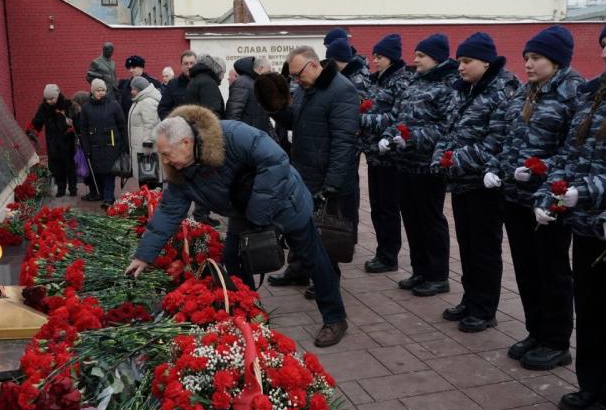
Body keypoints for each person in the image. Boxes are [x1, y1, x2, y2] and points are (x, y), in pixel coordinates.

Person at [125, 106, 349, 347]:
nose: (164, 160)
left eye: (167, 154)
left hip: (286, 201)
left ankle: (335, 318)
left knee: (312, 257)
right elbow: (169, 211)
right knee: (233, 258)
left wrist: (258, 215)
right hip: (244, 211)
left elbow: (276, 161)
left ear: (186, 142)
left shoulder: (231, 135)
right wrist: (144, 255)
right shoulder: (180, 170)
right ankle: (251, 317)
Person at [535, 12, 606, 410]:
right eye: (605, 44)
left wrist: (586, 192)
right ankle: (592, 385)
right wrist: (553, 191)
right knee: (590, 308)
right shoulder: (595, 94)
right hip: (587, 225)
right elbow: (571, 153)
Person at [483, 25, 583, 370]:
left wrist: (542, 168)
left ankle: (556, 340)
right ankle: (535, 331)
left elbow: (575, 151)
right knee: (526, 267)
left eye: (536, 58)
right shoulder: (526, 93)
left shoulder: (574, 93)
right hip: (514, 195)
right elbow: (508, 140)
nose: (527, 64)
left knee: (552, 269)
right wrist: (499, 167)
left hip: (548, 199)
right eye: (526, 57)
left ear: (555, 60)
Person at [431, 32, 519, 332]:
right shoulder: (465, 90)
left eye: (467, 61)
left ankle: (485, 308)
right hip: (462, 182)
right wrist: (440, 156)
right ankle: (470, 299)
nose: (461, 67)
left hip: (485, 184)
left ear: (486, 61)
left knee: (484, 248)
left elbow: (496, 142)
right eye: (459, 61)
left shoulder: (501, 92)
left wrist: (452, 159)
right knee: (467, 245)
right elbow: (449, 130)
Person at [262, 46, 360, 300]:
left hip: (327, 176)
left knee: (325, 232)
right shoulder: (308, 88)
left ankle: (328, 280)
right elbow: (296, 119)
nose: (296, 80)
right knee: (299, 225)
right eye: (293, 76)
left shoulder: (342, 91)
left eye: (298, 74)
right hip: (304, 171)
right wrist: (276, 108)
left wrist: (333, 184)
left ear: (314, 65)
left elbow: (344, 141)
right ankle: (299, 269)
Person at [377, 34, 456, 296]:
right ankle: (420, 270)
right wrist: (390, 136)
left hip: (428, 166)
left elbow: (445, 129)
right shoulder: (414, 83)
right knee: (411, 219)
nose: (415, 60)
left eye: (421, 56)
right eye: (416, 54)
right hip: (405, 163)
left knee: (430, 220)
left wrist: (410, 138)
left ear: (437, 57)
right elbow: (399, 116)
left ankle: (438, 275)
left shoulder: (447, 87)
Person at [359, 34, 412, 273]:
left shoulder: (400, 82)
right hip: (373, 153)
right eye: (374, 56)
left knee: (388, 208)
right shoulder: (377, 81)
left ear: (391, 57)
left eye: (379, 56)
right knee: (377, 206)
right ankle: (382, 251)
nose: (375, 61)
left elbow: (396, 117)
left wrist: (362, 120)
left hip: (389, 155)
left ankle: (389, 255)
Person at [184, 53, 225, 227]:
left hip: (195, 133)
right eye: (222, 73)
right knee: (205, 175)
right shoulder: (208, 83)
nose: (222, 76)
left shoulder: (197, 80)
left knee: (200, 174)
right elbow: (212, 113)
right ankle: (201, 215)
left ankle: (201, 213)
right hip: (204, 137)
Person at [79, 79, 127, 208]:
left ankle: (108, 198)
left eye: (103, 90)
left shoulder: (114, 105)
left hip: (111, 145)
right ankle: (103, 194)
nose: (101, 93)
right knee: (99, 172)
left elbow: (122, 126)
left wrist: (123, 145)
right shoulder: (86, 108)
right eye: (98, 90)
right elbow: (82, 129)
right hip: (95, 147)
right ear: (92, 91)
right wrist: (86, 147)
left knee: (109, 173)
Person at [27, 84, 77, 197]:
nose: (49, 101)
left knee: (70, 165)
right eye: (47, 99)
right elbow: (37, 121)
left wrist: (73, 124)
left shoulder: (67, 105)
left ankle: (73, 188)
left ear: (57, 95)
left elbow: (76, 119)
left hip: (67, 140)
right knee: (57, 166)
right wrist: (32, 131)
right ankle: (61, 188)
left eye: (52, 98)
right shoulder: (43, 108)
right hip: (53, 141)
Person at [127, 76, 163, 188]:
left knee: (151, 179)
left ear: (140, 89)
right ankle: (146, 203)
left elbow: (151, 124)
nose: (131, 91)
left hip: (147, 149)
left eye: (133, 89)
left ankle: (154, 203)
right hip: (141, 148)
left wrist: (148, 144)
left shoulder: (147, 102)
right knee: (144, 179)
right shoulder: (139, 100)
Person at [225, 56, 273, 135]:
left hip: (257, 137)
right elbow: (233, 115)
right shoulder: (242, 83)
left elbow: (265, 117)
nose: (269, 75)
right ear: (261, 69)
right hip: (247, 138)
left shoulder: (257, 83)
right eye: (269, 71)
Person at [158, 50, 197, 119]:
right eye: (186, 63)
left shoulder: (203, 83)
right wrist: (173, 124)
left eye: (192, 63)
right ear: (181, 65)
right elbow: (163, 109)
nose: (189, 66)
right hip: (178, 128)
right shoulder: (173, 84)